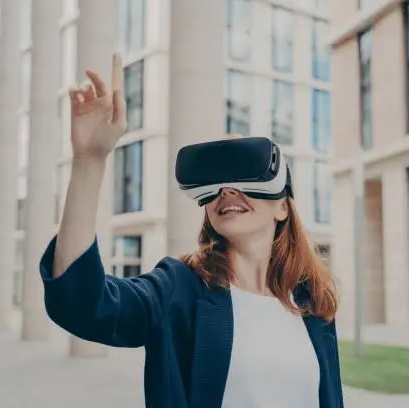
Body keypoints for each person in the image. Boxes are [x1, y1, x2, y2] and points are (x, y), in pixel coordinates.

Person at [39, 53, 344, 408]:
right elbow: (82, 305)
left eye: (244, 177)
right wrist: (88, 161)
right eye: (214, 184)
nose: (227, 191)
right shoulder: (179, 289)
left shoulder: (311, 302)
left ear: (282, 206)